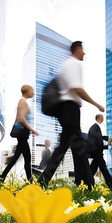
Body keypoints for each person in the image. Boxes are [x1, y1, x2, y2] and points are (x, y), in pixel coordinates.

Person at [38, 41, 105, 189]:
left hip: (67, 110)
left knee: (66, 147)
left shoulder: (67, 65)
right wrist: (96, 104)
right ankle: (89, 185)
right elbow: (77, 89)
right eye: (83, 49)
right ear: (77, 49)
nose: (84, 53)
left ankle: (42, 182)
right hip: (70, 109)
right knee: (78, 147)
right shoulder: (73, 64)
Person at [0, 85, 39, 182]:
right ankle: (30, 182)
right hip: (22, 132)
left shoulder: (23, 101)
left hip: (23, 133)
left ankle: (2, 177)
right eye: (31, 90)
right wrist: (32, 129)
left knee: (20, 156)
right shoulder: (23, 101)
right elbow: (21, 118)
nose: (33, 92)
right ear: (26, 91)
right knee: (26, 158)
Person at [87, 114, 112, 187]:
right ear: (100, 118)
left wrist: (107, 139)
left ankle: (86, 182)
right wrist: (107, 146)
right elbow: (98, 142)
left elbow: (99, 138)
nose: (103, 119)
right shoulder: (96, 127)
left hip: (96, 152)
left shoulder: (94, 128)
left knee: (92, 169)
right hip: (97, 152)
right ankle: (111, 185)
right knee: (104, 169)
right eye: (102, 117)